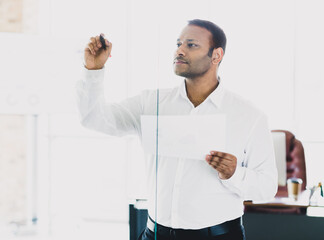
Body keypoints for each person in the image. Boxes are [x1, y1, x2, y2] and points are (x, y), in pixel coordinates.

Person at [77, 19, 278, 240]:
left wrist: (234, 174)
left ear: (216, 55)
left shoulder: (249, 116)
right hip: (154, 234)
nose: (179, 50)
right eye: (178, 43)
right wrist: (93, 70)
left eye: (191, 45)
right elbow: (95, 119)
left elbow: (267, 187)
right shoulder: (151, 103)